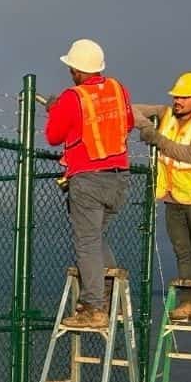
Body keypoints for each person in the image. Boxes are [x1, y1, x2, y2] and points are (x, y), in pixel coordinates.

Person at [39, 38, 134, 330]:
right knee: (95, 237)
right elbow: (127, 122)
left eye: (71, 68)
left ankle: (94, 306)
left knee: (88, 242)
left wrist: (55, 110)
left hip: (89, 177)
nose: (70, 73)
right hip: (118, 177)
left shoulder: (73, 97)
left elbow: (54, 136)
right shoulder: (118, 89)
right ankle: (110, 298)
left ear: (77, 70)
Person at [134, 73, 191, 323]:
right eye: (176, 96)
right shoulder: (165, 113)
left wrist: (156, 138)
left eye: (184, 97)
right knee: (182, 251)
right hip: (173, 195)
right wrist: (146, 126)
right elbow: (130, 110)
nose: (178, 101)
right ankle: (188, 301)